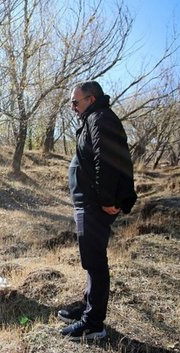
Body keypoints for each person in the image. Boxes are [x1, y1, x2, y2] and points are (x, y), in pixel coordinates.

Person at [59, 81, 136, 340]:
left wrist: (105, 199)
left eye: (75, 102)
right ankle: (88, 307)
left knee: (95, 261)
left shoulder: (100, 118)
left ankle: (94, 323)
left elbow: (106, 160)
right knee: (91, 259)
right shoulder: (94, 118)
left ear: (91, 100)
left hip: (94, 203)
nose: (72, 107)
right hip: (88, 202)